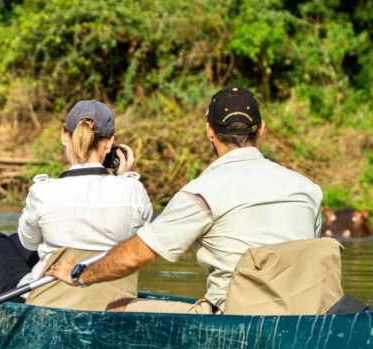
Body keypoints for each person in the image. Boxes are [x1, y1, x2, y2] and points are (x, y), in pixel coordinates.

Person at [46, 86, 327, 314]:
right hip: (307, 314)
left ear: (209, 131)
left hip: (235, 321)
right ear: (261, 129)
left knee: (116, 308)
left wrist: (80, 273)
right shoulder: (308, 189)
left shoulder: (203, 193)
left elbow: (134, 256)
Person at [0, 100, 153, 310]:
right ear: (109, 143)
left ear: (64, 135)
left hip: (46, 300)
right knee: (13, 243)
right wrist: (122, 177)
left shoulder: (43, 191)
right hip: (112, 301)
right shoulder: (133, 191)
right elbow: (143, 239)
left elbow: (29, 241)